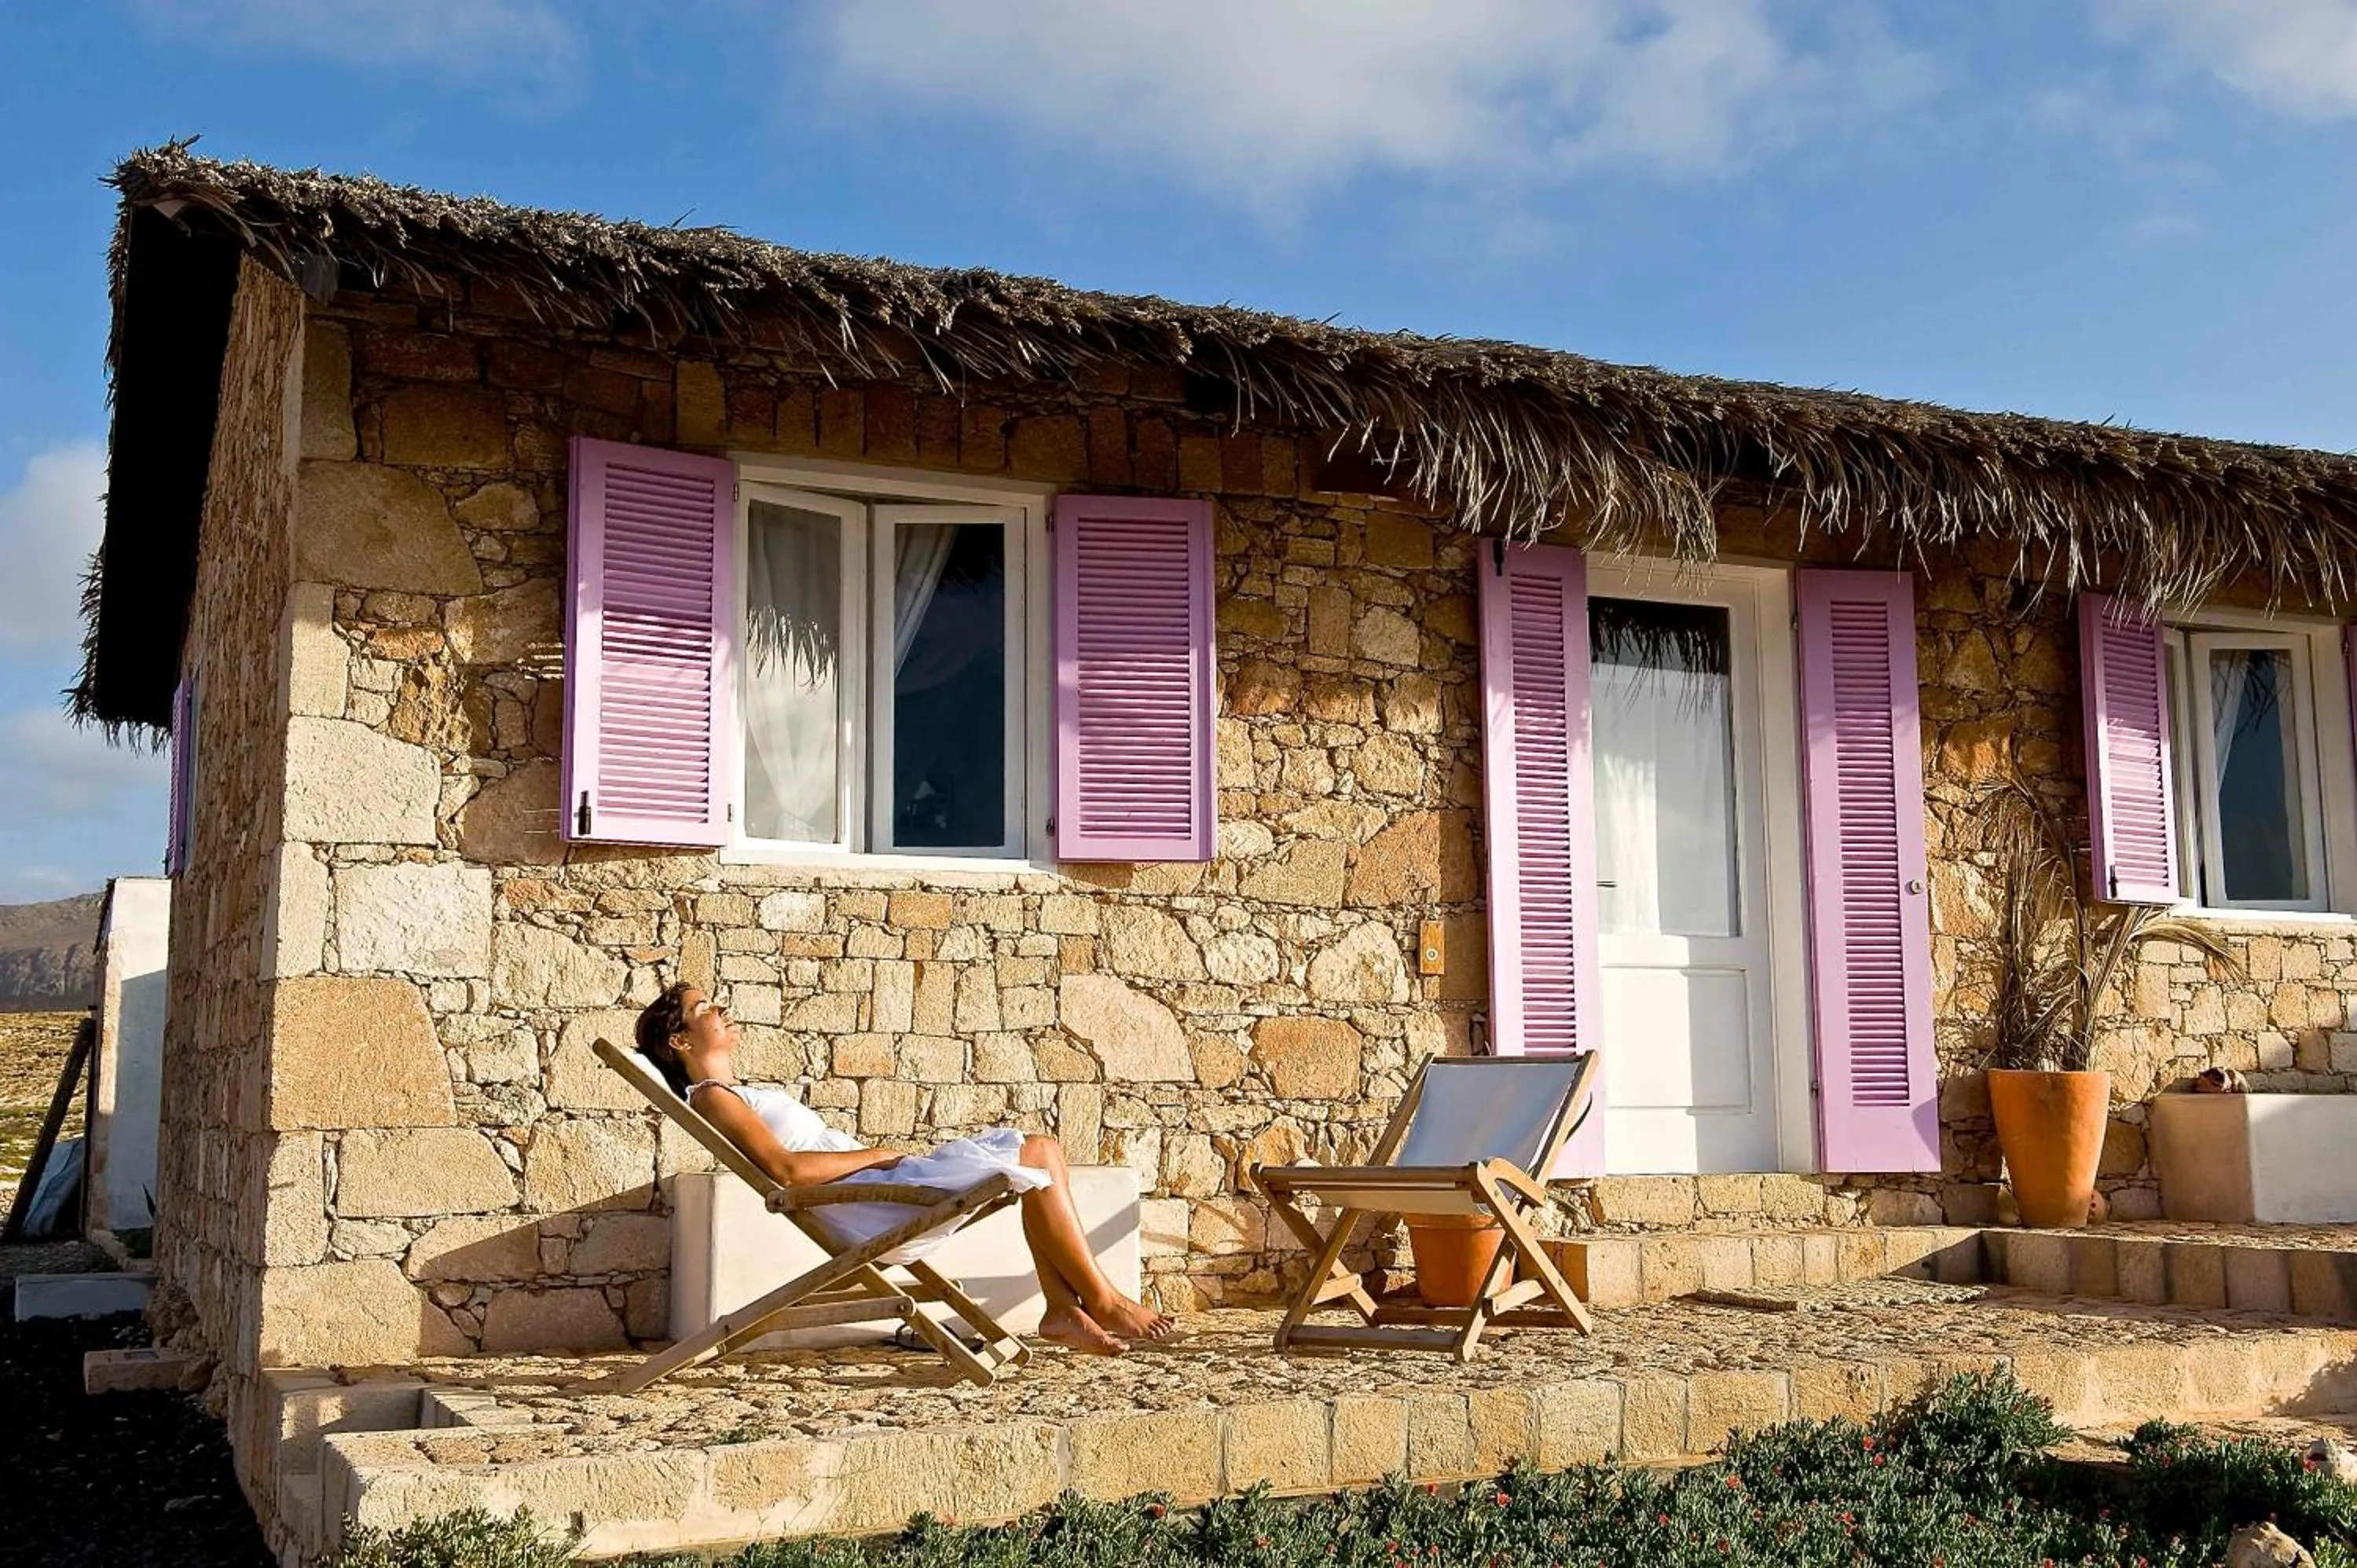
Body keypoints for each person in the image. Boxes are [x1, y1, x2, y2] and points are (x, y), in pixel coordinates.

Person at [632, 982, 1173, 1356]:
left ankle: (1062, 1308)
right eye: (704, 1008)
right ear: (680, 1041)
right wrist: (879, 1155)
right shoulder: (710, 1097)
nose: (720, 1010)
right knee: (1036, 1152)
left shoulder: (733, 1092)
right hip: (864, 1204)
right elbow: (788, 1170)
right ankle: (1100, 1300)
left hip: (871, 1194)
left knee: (1042, 1154)